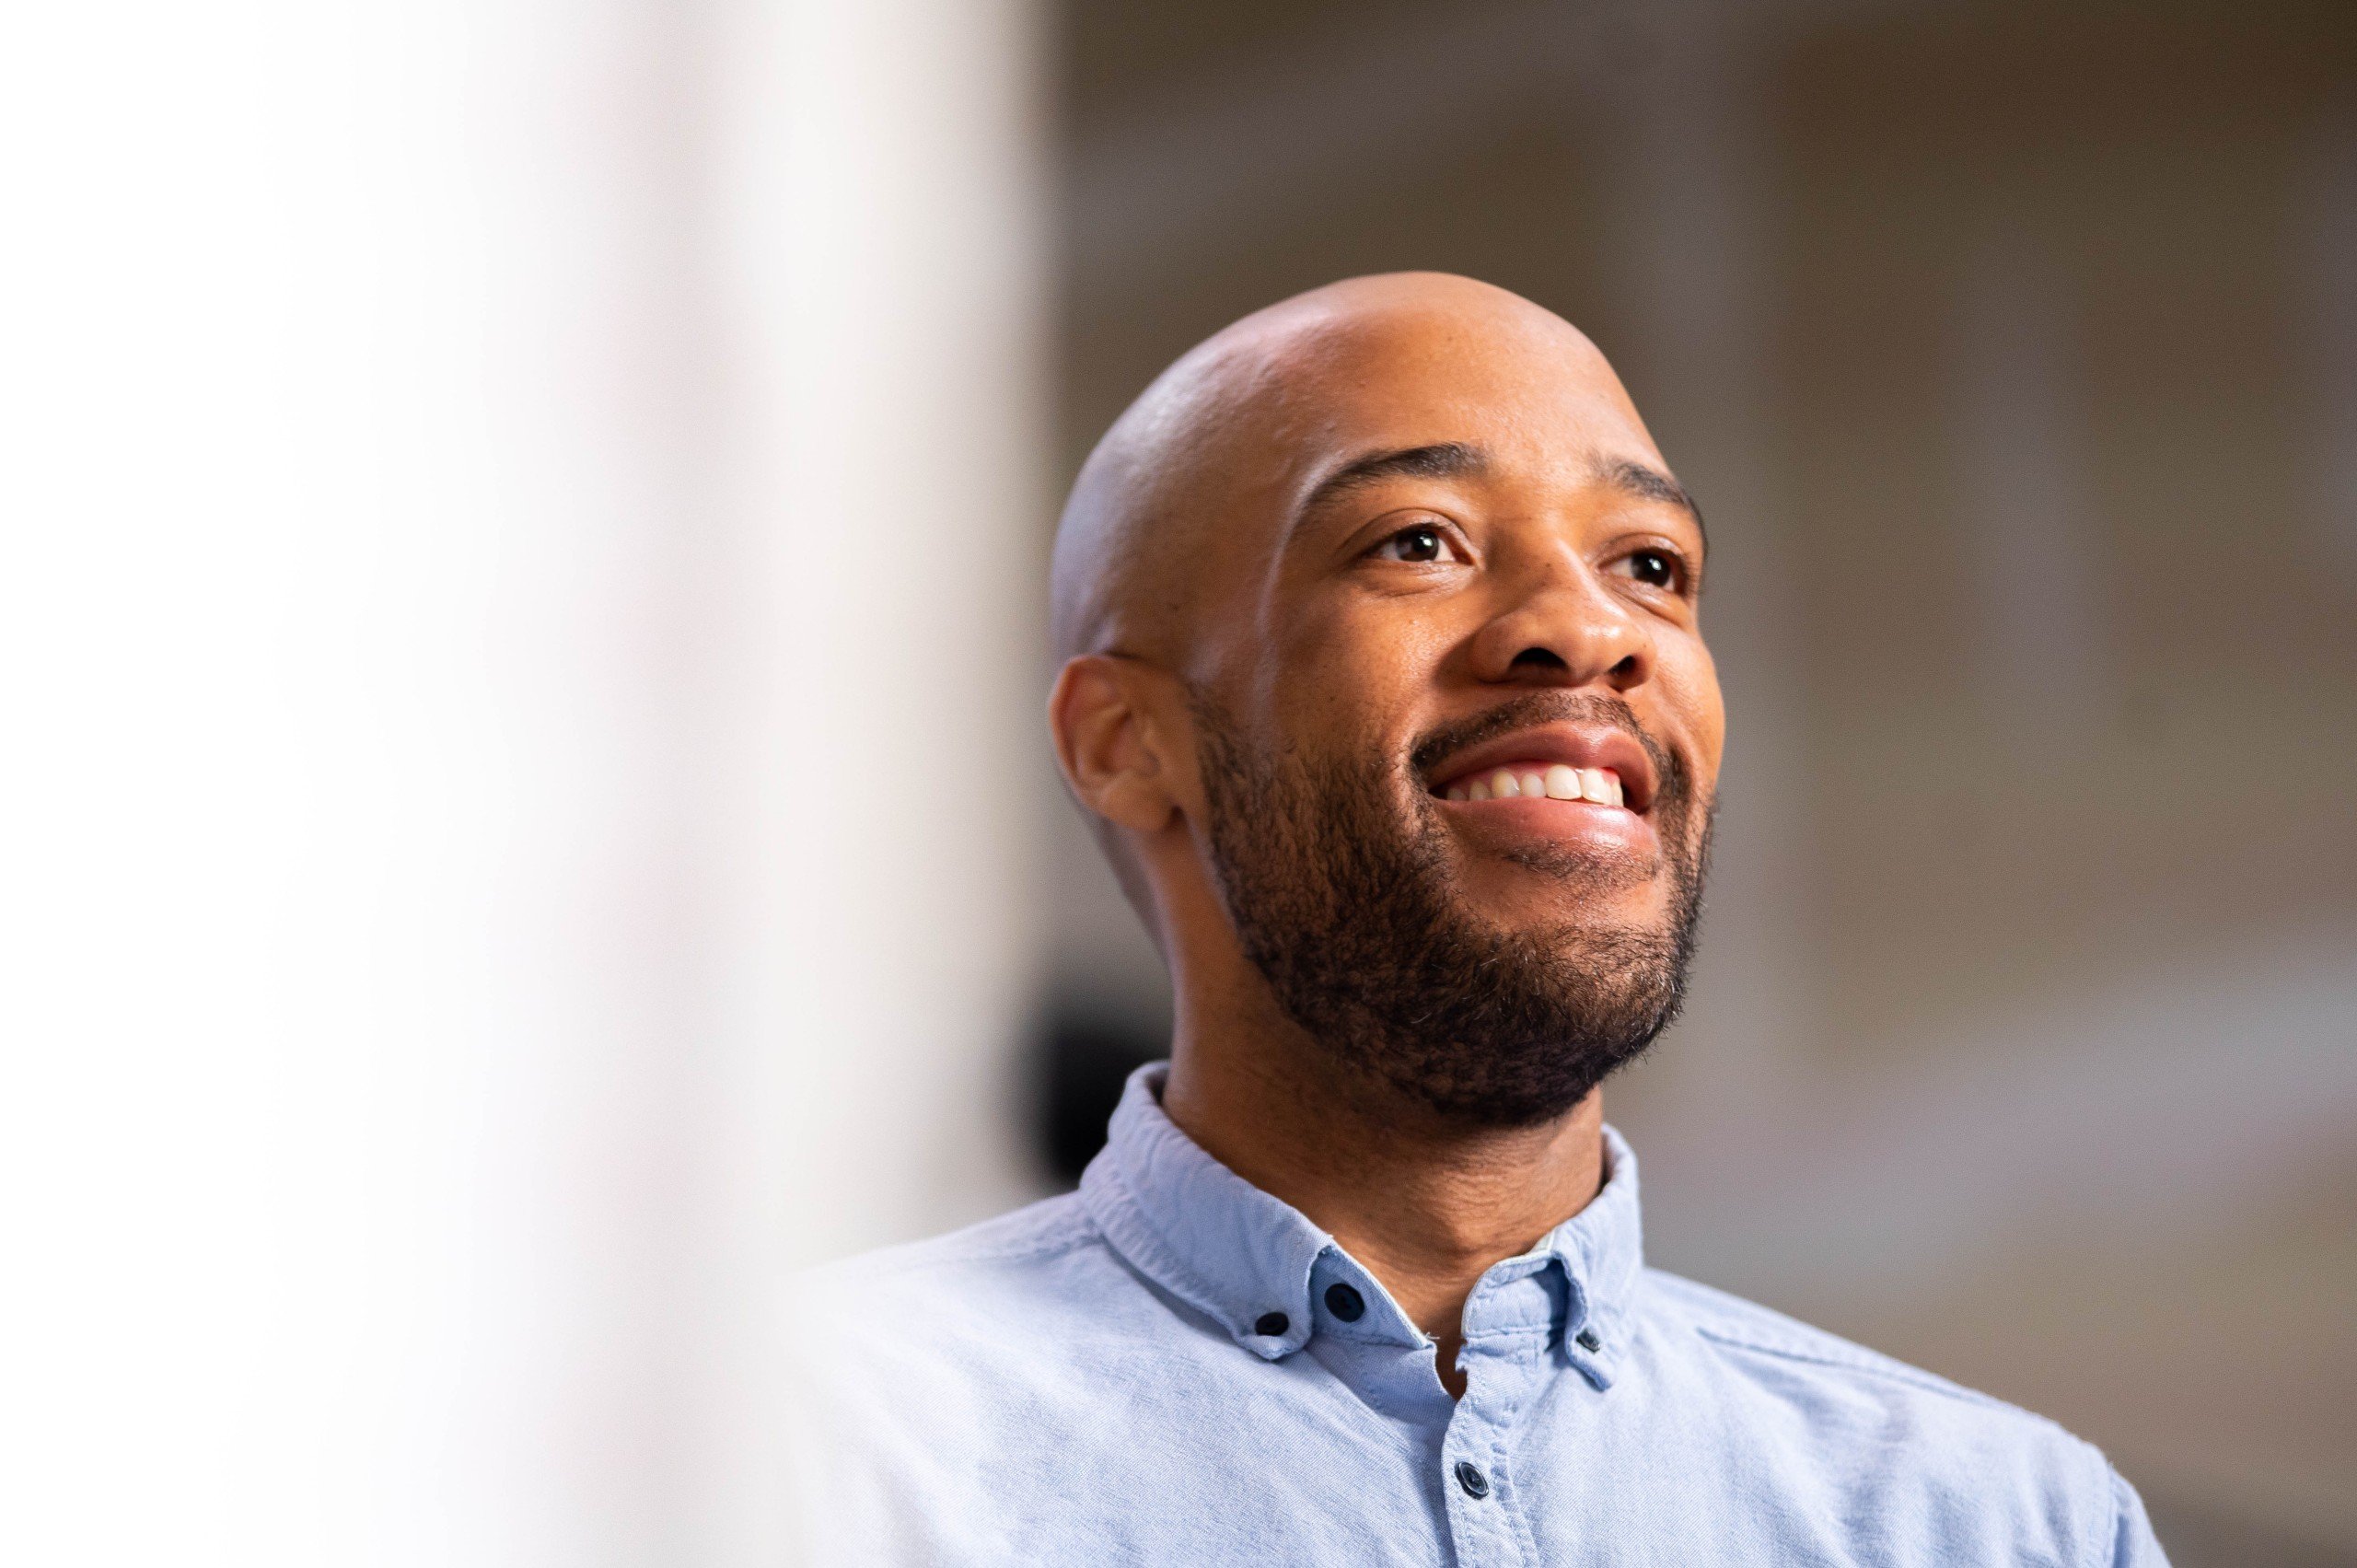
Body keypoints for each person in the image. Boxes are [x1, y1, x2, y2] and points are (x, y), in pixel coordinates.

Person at [795, 273, 2168, 1564]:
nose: (1592, 629)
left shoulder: (2003, 1526)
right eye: (1417, 542)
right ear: (1126, 742)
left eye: (1650, 565)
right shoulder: (795, 1461)